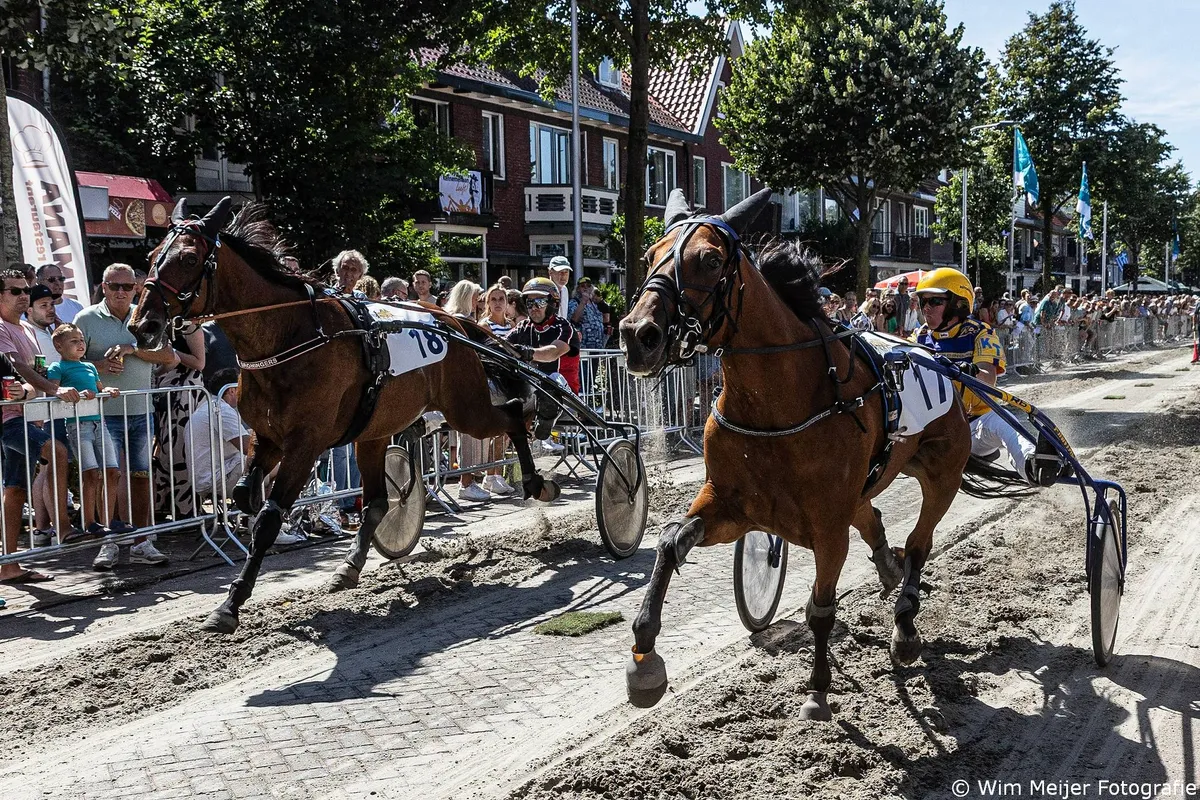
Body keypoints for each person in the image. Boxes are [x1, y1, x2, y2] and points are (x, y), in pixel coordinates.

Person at [912, 268, 1057, 487]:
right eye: (923, 301)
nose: (926, 308)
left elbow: (988, 379)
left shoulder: (980, 333)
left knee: (1004, 421)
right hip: (927, 431)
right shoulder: (918, 337)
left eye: (935, 301)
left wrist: (965, 370)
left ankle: (1032, 465)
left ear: (958, 304)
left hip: (972, 426)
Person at [76, 264, 179, 570]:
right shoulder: (85, 318)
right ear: (103, 287)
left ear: (136, 288)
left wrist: (132, 349)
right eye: (113, 286)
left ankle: (142, 542)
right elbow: (70, 363)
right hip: (103, 415)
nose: (120, 292)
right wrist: (99, 367)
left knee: (141, 477)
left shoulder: (146, 316)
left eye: (127, 286)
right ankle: (107, 543)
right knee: (108, 479)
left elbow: (168, 355)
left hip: (141, 412)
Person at [0, 269, 73, 580]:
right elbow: (16, 368)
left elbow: (34, 373)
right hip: (9, 419)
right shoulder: (1, 328)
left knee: (15, 490)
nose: (23, 296)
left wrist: (35, 389)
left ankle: (8, 566)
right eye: (15, 291)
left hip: (28, 415)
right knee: (56, 451)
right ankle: (64, 528)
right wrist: (54, 390)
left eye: (26, 290)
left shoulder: (27, 329)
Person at [47, 324, 123, 535]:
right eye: (74, 341)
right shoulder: (57, 367)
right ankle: (89, 521)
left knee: (113, 471)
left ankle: (107, 519)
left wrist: (107, 392)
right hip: (78, 426)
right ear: (59, 346)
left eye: (81, 340)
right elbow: (54, 392)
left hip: (100, 424)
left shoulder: (90, 366)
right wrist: (77, 394)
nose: (80, 344)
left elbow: (99, 392)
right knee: (90, 473)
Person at [505, 277, 573, 454]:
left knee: (553, 380)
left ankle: (546, 419)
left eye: (540, 302)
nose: (533, 308)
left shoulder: (562, 326)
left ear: (552, 304)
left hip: (562, 392)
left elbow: (554, 351)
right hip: (526, 389)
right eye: (529, 303)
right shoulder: (522, 327)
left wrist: (529, 352)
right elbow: (503, 344)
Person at [569, 277, 607, 350]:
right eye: (582, 286)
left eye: (588, 286)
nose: (586, 288)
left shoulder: (594, 304)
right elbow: (573, 320)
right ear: (578, 289)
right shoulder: (574, 303)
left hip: (598, 347)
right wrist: (583, 301)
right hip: (583, 348)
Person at [24, 284, 59, 363]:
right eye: (44, 305)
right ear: (29, 310)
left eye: (52, 304)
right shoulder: (36, 336)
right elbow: (61, 366)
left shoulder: (42, 331)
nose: (51, 310)